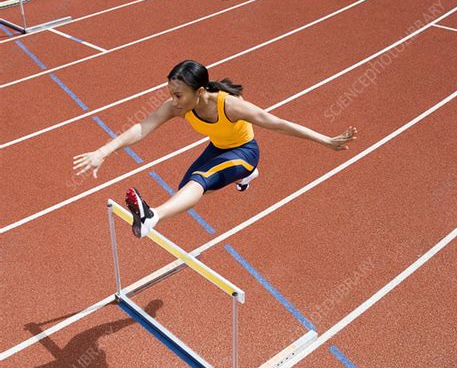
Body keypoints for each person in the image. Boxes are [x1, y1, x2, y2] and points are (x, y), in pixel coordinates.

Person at [73, 59, 357, 238]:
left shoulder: (229, 105)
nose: (173, 100)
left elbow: (278, 123)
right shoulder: (178, 107)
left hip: (244, 152)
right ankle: (246, 177)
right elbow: (142, 128)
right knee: (184, 190)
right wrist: (103, 152)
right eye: (170, 93)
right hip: (218, 148)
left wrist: (326, 141)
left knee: (200, 181)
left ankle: (152, 216)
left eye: (179, 94)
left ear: (200, 92)